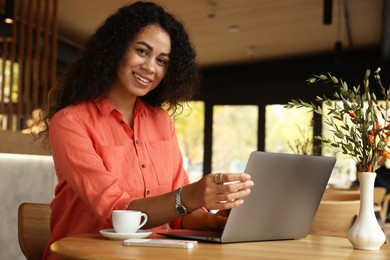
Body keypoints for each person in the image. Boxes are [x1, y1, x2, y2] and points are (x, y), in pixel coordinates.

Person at [40, 2, 254, 259]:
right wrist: (190, 196)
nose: (151, 67)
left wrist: (223, 221)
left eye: (162, 61)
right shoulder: (71, 122)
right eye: (142, 51)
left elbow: (178, 216)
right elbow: (115, 212)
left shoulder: (161, 122)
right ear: (116, 49)